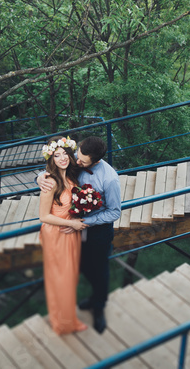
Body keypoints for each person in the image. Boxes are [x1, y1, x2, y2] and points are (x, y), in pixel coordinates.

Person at [38, 135, 121, 334]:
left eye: (83, 161)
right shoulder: (77, 158)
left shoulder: (109, 179)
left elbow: (115, 212)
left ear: (96, 160)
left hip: (96, 232)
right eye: (78, 156)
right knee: (79, 266)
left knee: (99, 270)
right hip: (69, 232)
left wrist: (84, 222)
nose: (77, 162)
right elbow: (58, 164)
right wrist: (40, 177)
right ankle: (85, 300)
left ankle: (98, 306)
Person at [38, 138, 88, 334]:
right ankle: (64, 323)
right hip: (56, 234)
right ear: (51, 159)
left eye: (64, 154)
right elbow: (43, 216)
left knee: (69, 277)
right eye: (56, 155)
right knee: (62, 278)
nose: (62, 158)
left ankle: (65, 317)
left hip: (71, 233)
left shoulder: (73, 177)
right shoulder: (50, 182)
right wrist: (72, 223)